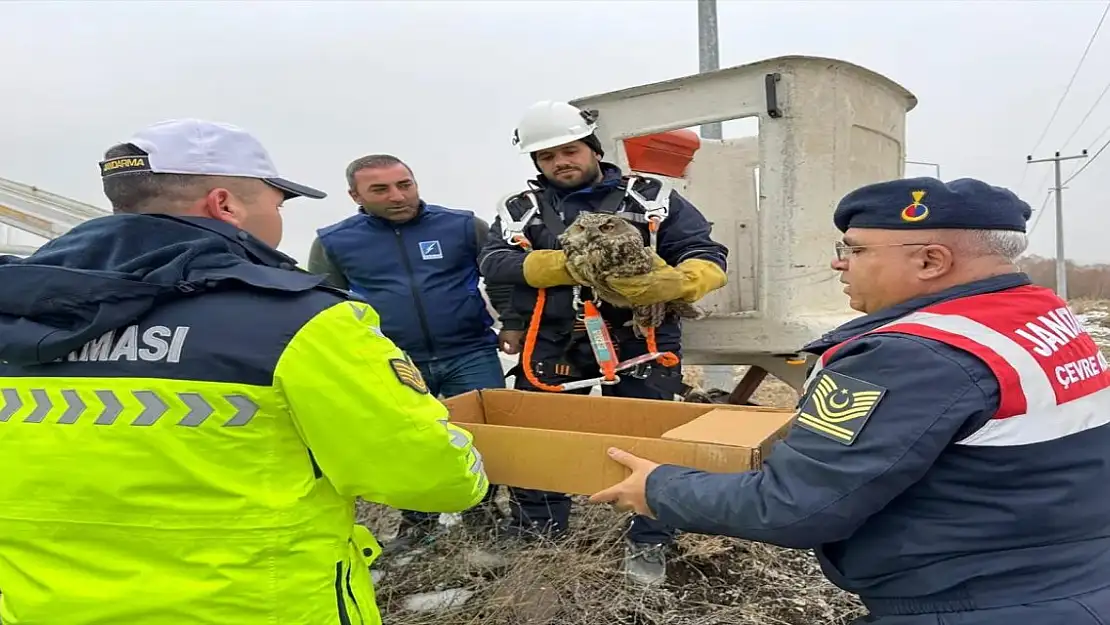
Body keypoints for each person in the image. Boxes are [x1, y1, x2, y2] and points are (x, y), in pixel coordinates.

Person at [0, 119, 489, 625]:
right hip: (259, 605)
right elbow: (431, 478)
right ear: (225, 205)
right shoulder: (300, 321)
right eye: (277, 204)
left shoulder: (15, 316)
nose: (278, 218)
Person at [591, 177, 1110, 624]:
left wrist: (659, 487)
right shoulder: (1036, 315)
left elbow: (794, 506)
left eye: (856, 250)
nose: (840, 264)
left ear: (932, 260)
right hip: (1065, 573)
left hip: (975, 600)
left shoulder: (913, 355)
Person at [479, 100, 729, 585]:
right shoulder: (520, 212)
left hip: (639, 339)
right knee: (538, 440)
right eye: (547, 157)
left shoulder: (650, 198)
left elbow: (706, 250)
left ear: (591, 147)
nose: (560, 163)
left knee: (652, 439)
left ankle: (650, 539)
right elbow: (493, 262)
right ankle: (538, 531)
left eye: (569, 150)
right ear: (536, 163)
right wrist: (561, 266)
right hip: (551, 342)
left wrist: (683, 281)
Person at [307, 154, 508, 553]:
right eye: (379, 189)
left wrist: (514, 324)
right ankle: (418, 526)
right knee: (406, 441)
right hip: (393, 361)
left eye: (405, 185)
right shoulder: (334, 242)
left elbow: (502, 275)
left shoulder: (463, 226)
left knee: (482, 437)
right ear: (355, 195)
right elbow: (323, 305)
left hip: (469, 350)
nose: (397, 196)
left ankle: (483, 517)